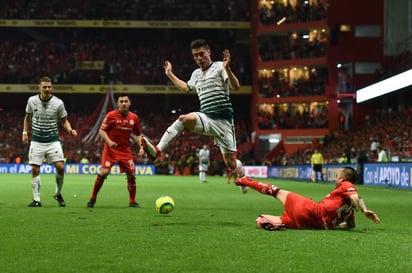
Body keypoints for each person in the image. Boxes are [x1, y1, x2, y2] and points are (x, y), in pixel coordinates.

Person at [141, 39, 246, 191]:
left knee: (230, 163)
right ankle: (157, 150)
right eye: (195, 55)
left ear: (209, 52)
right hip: (206, 118)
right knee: (183, 119)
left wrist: (228, 68)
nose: (199, 58)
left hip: (223, 122)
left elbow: (236, 86)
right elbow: (186, 88)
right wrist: (169, 74)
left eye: (201, 54)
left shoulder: (219, 67)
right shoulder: (196, 74)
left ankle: (242, 173)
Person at [235, 167, 381, 231]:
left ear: (343, 178)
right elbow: (350, 225)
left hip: (309, 209)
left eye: (337, 176)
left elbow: (355, 197)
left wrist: (365, 210)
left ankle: (245, 181)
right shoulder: (349, 212)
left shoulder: (346, 185)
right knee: (261, 218)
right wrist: (333, 224)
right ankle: (267, 223)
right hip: (311, 224)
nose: (335, 179)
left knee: (275, 191)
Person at [22, 76, 77, 207]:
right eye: (45, 87)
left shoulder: (58, 103)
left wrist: (70, 130)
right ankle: (37, 200)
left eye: (49, 87)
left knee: (60, 167)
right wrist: (24, 133)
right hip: (36, 140)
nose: (47, 89)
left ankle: (57, 193)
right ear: (39, 88)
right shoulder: (32, 101)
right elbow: (27, 117)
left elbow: (64, 120)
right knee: (35, 169)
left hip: (53, 140)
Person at [87, 94, 145, 208]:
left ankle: (132, 201)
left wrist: (141, 146)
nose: (124, 103)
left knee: (131, 175)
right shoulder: (111, 115)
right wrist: (109, 141)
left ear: (130, 103)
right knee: (104, 172)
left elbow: (138, 134)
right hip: (111, 149)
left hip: (125, 150)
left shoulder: (134, 118)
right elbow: (102, 131)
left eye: (126, 101)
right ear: (118, 104)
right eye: (121, 101)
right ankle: (93, 199)